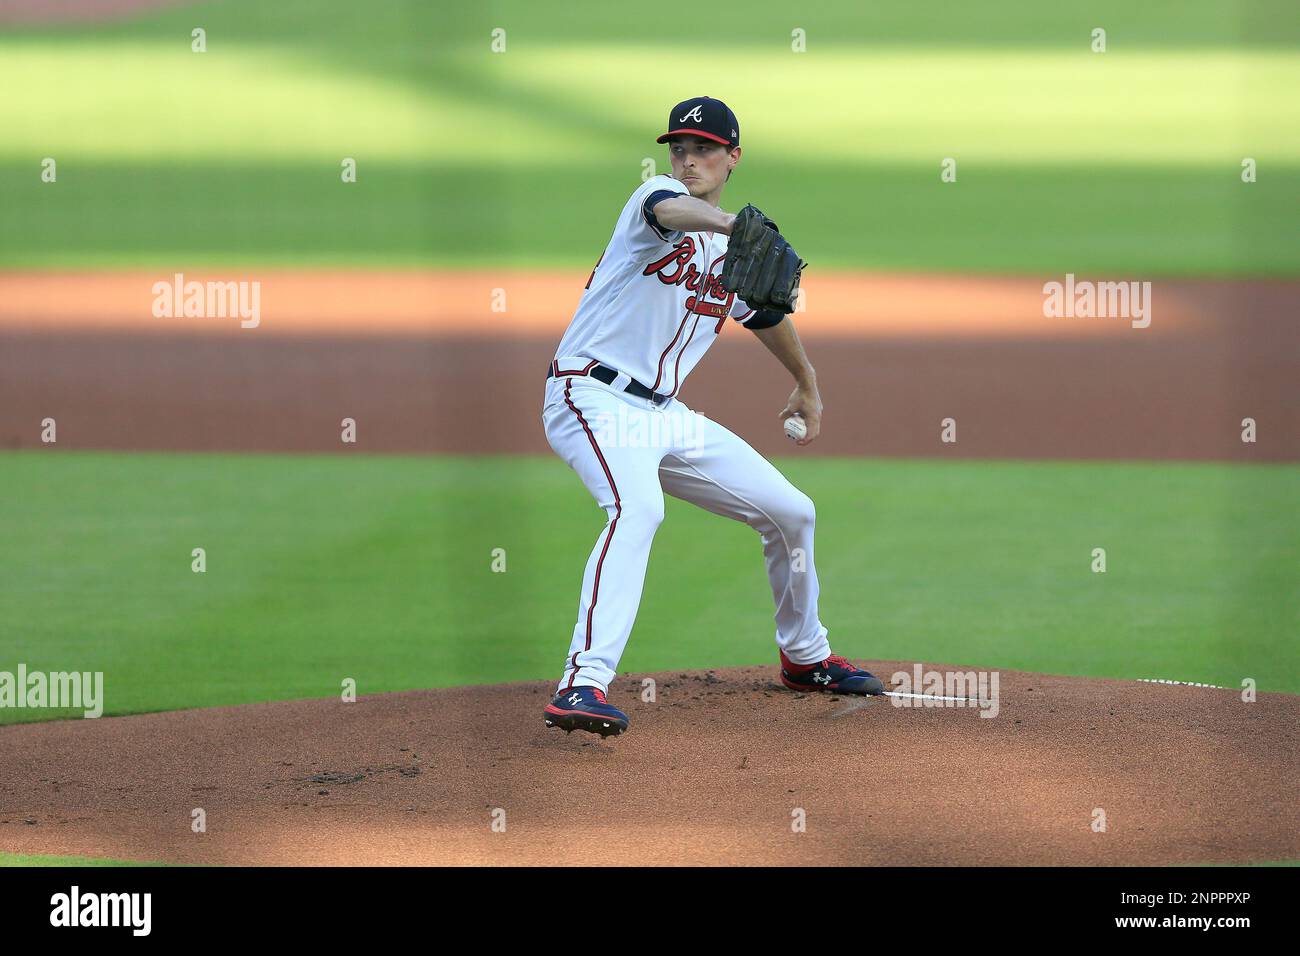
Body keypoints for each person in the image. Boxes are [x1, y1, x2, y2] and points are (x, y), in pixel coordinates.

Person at [541, 96, 884, 737]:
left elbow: (763, 312)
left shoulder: (730, 247)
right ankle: (581, 684)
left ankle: (805, 658)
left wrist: (806, 381)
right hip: (588, 395)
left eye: (703, 149)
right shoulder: (659, 199)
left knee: (792, 512)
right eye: (680, 147)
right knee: (637, 509)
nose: (688, 159)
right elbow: (672, 209)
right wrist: (730, 225)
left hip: (663, 414)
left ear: (733, 157)